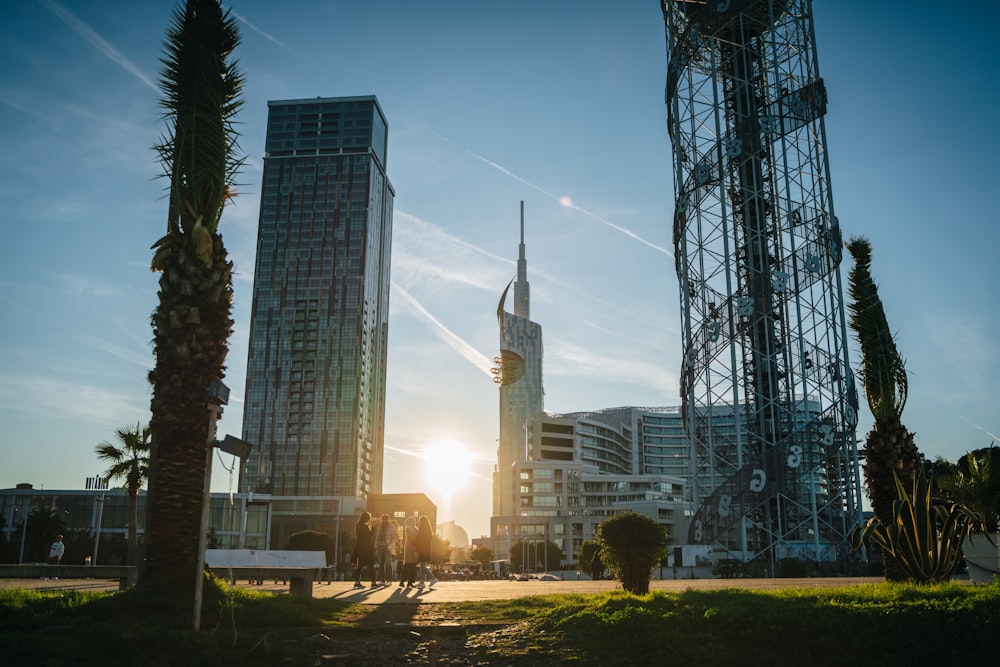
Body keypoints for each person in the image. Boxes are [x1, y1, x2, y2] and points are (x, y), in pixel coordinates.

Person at [351, 512, 377, 589]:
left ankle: (356, 582)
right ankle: (373, 583)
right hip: (367, 549)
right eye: (369, 518)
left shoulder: (358, 526)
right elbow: (370, 535)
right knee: (371, 565)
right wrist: (374, 527)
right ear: (366, 518)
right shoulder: (365, 527)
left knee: (360, 566)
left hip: (359, 548)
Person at [373, 514, 398, 586]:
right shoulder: (380, 527)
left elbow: (394, 539)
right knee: (381, 565)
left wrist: (389, 547)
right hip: (380, 548)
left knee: (388, 565)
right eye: (382, 519)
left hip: (388, 549)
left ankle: (389, 580)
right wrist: (376, 546)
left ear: (388, 520)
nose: (383, 521)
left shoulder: (392, 527)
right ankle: (382, 580)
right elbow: (377, 537)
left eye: (385, 519)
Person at [414, 514, 438, 588]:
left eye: (420, 521)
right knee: (422, 566)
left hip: (422, 550)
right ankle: (422, 582)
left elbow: (419, 540)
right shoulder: (428, 530)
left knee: (422, 566)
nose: (419, 522)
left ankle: (432, 578)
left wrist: (416, 547)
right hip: (426, 550)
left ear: (422, 522)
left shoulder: (422, 530)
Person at [400, 515, 419, 587]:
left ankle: (410, 582)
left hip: (413, 546)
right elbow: (411, 537)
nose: (414, 522)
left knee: (413, 565)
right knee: (408, 564)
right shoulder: (408, 528)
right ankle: (403, 581)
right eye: (413, 521)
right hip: (409, 546)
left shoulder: (415, 528)